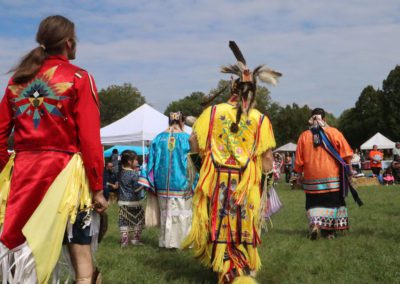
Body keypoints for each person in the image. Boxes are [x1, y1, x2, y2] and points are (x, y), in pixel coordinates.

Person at [0, 15, 108, 283]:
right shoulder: (80, 78)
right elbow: (90, 139)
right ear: (69, 42)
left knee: (21, 248)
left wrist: (6, 171)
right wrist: (97, 187)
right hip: (68, 178)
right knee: (80, 251)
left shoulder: (18, 81)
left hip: (25, 177)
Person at [182, 41, 280, 283]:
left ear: (232, 89)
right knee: (245, 222)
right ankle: (244, 269)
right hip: (247, 182)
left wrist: (201, 165)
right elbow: (267, 157)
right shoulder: (260, 119)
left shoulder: (212, 113)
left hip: (217, 180)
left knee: (220, 220)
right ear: (253, 92)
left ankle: (223, 267)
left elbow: (195, 141)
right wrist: (267, 183)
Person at [294, 108, 355, 240]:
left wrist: (299, 175)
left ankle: (315, 225)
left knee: (313, 203)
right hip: (331, 177)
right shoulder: (334, 132)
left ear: (311, 119)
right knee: (332, 203)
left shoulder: (304, 136)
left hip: (311, 178)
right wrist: (349, 171)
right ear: (325, 119)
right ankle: (329, 233)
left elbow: (299, 159)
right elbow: (347, 153)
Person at [139, 111, 193, 249]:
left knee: (166, 212)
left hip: (162, 183)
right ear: (182, 122)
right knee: (182, 213)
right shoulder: (187, 139)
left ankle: (165, 242)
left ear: (169, 122)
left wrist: (148, 179)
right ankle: (181, 242)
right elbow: (194, 163)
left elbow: (149, 161)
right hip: (183, 183)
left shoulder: (158, 138)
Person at [118, 150, 145, 247]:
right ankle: (135, 239)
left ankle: (124, 241)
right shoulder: (134, 174)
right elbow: (136, 189)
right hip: (133, 202)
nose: (137, 162)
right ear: (130, 161)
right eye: (136, 160)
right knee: (139, 220)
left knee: (124, 220)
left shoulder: (120, 172)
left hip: (122, 201)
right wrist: (144, 185)